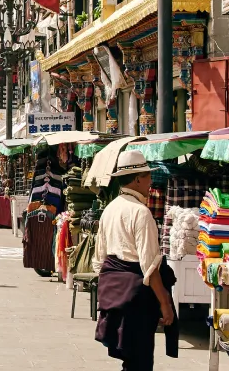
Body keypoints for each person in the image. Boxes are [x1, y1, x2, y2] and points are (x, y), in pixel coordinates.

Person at [93, 151, 177, 371]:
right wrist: (165, 304)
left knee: (131, 360)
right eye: (148, 176)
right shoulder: (140, 213)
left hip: (114, 293)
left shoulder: (110, 209)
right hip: (136, 298)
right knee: (140, 361)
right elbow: (149, 267)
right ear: (138, 178)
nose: (151, 181)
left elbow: (99, 259)